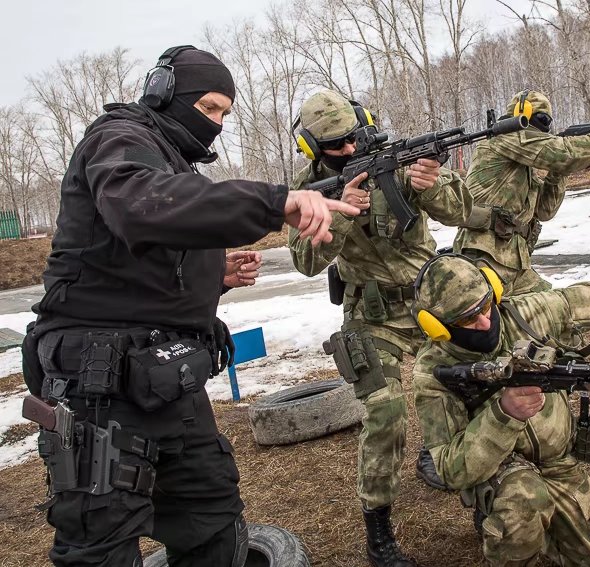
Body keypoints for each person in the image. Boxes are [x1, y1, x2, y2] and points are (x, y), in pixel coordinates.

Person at [22, 46, 358, 567]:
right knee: (102, 547)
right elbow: (142, 207)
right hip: (98, 387)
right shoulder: (119, 140)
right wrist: (273, 202)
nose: (218, 125)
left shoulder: (175, 163)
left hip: (165, 382)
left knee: (213, 524)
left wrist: (212, 277)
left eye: (225, 113)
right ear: (162, 93)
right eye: (208, 109)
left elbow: (143, 263)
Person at [288, 90, 473, 567]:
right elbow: (306, 261)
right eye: (335, 146)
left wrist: (430, 185)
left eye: (354, 137)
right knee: (385, 413)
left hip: (430, 301)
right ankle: (379, 531)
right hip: (370, 316)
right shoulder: (308, 191)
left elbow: (460, 211)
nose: (351, 151)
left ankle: (465, 471)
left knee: (473, 385)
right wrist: (338, 212)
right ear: (312, 149)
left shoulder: (400, 162)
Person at [411, 254, 590, 566]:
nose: (485, 322)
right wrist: (505, 414)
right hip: (499, 468)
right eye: (467, 319)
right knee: (523, 502)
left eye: (485, 305)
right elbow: (451, 469)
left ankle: (540, 532)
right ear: (437, 326)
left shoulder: (532, 312)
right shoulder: (432, 372)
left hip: (559, 462)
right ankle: (507, 523)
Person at [454, 89, 590, 296]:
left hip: (512, 259)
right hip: (485, 254)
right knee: (494, 325)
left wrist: (559, 172)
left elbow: (545, 210)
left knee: (558, 319)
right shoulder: (505, 139)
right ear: (522, 116)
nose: (544, 127)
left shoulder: (520, 164)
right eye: (541, 119)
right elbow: (562, 152)